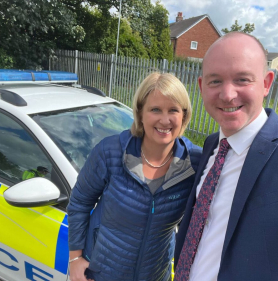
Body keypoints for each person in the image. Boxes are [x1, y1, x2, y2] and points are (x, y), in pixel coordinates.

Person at [174, 32, 278, 281]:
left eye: (242, 79)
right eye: (215, 81)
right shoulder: (212, 145)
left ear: (266, 83)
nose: (228, 94)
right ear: (201, 86)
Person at [67, 72, 202, 281]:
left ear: (183, 115)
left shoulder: (194, 163)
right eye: (155, 109)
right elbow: (79, 203)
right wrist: (75, 259)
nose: (165, 120)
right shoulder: (110, 152)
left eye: (173, 110)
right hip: (100, 274)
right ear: (140, 113)